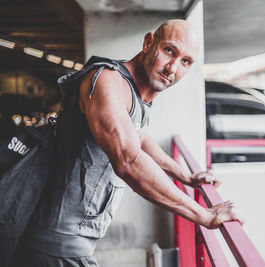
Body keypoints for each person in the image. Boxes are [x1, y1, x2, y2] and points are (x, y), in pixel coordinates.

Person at [13, 19, 242, 266]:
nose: (172, 68)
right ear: (148, 43)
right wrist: (204, 215)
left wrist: (186, 176)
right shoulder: (107, 81)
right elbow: (128, 159)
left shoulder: (136, 92)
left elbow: (139, 138)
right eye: (169, 51)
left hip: (73, 240)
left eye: (185, 61)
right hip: (56, 243)